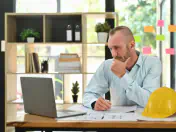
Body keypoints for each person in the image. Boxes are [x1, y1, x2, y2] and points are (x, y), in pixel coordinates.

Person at [83, 26, 162, 111]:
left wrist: (123, 76)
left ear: (131, 45)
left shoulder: (153, 63)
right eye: (110, 49)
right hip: (118, 121)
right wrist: (94, 103)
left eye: (117, 47)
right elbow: (88, 94)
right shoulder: (107, 65)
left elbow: (150, 101)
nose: (113, 54)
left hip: (144, 121)